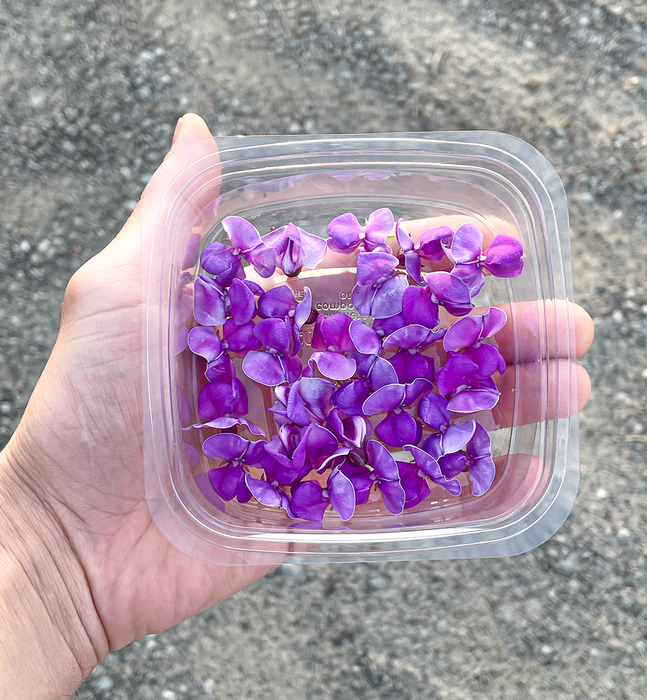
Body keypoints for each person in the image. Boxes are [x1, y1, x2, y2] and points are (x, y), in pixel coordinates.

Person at [0, 114, 594, 699]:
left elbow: (382, 378)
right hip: (317, 392)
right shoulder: (294, 358)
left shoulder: (383, 350)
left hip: (354, 394)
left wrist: (51, 548)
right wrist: (50, 537)